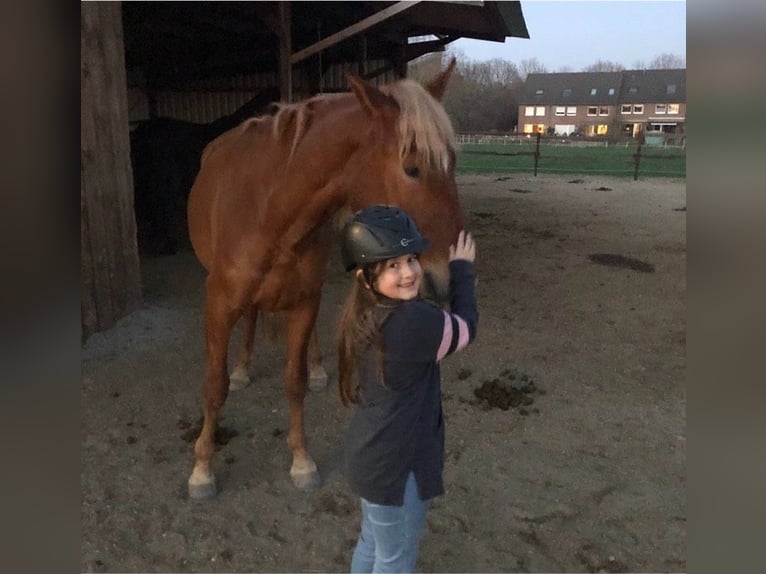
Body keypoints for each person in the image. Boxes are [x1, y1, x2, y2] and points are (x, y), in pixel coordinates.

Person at [337, 204, 478, 573]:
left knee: (373, 542)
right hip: (401, 471)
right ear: (366, 278)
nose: (409, 273)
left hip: (370, 460)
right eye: (392, 266)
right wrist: (461, 272)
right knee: (396, 559)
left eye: (411, 259)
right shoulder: (414, 323)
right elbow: (466, 327)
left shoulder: (364, 316)